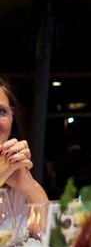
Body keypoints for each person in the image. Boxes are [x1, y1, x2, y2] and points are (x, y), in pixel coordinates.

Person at [0, 78, 48, 217]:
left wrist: (28, 185)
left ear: (11, 125)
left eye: (1, 111)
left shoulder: (14, 178)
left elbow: (50, 231)